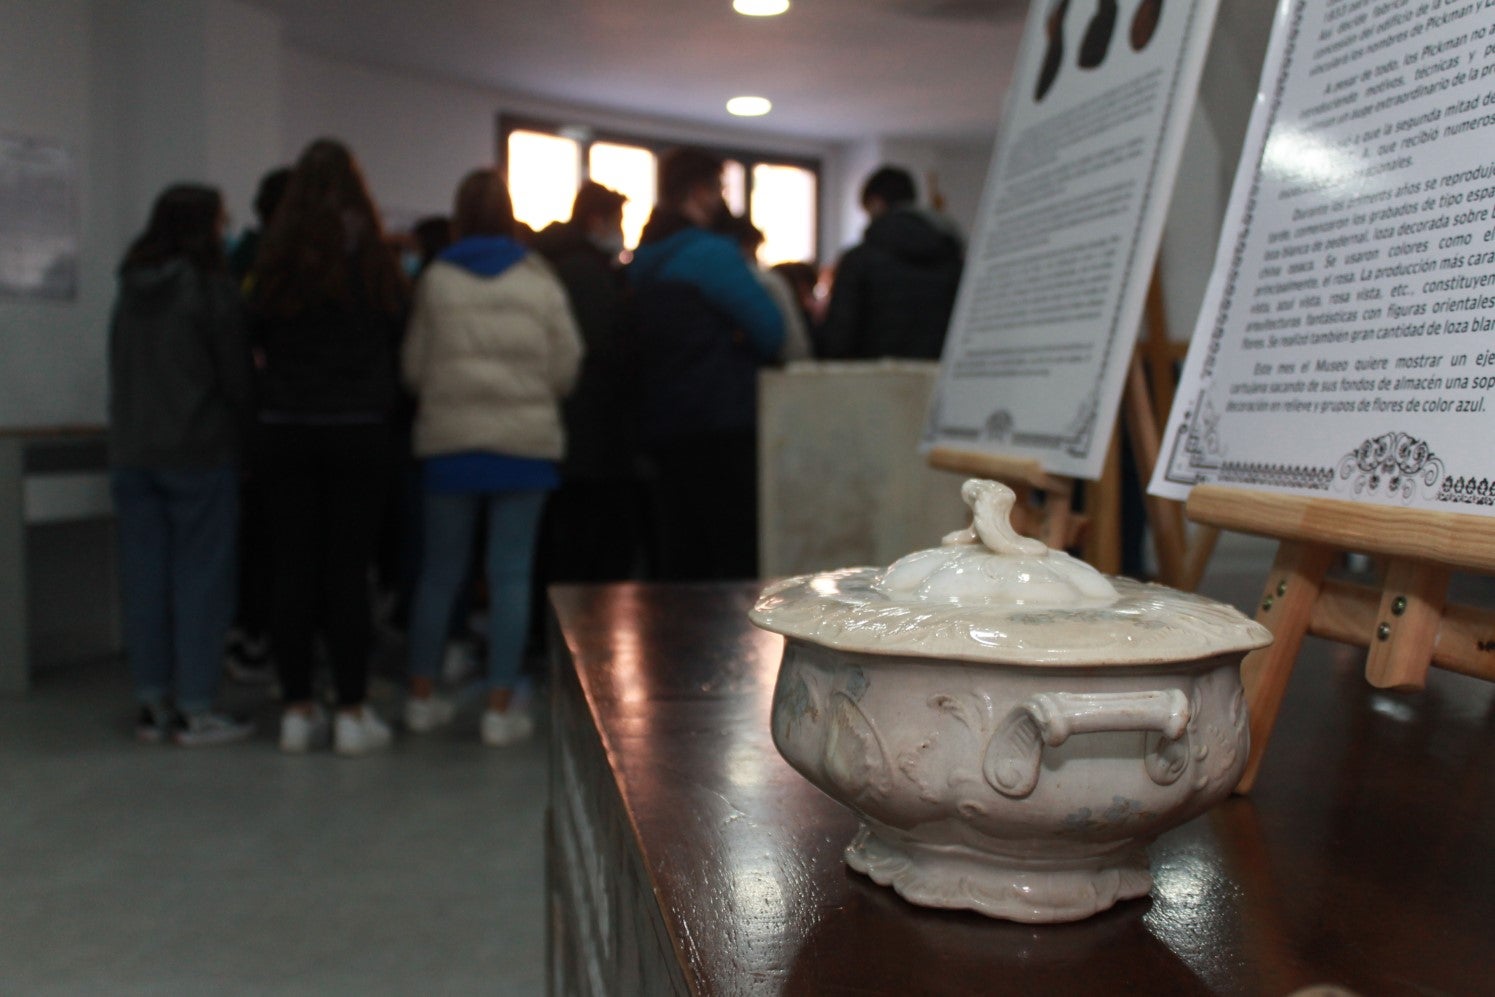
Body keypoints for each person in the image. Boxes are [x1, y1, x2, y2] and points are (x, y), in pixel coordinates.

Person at [401, 168, 583, 746]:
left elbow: (413, 367)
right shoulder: (538, 278)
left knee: (438, 577)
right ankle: (501, 707)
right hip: (523, 447)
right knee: (510, 577)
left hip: (450, 446)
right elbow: (566, 364)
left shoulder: (436, 279)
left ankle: (421, 697)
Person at [248, 138, 409, 756]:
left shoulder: (275, 258)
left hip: (285, 426)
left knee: (292, 569)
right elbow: (399, 330)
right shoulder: (372, 258)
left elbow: (253, 333)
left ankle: (296, 708)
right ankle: (351, 708)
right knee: (348, 571)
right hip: (359, 429)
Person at [107, 183, 254, 746]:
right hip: (197, 451)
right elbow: (234, 376)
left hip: (132, 451)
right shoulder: (210, 290)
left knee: (144, 581)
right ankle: (196, 704)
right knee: (201, 583)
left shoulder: (130, 288)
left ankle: (153, 702)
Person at [629, 147, 784, 581]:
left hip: (661, 426)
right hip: (719, 425)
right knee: (729, 559)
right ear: (698, 192)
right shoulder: (709, 254)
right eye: (718, 188)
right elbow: (771, 330)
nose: (722, 200)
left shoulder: (643, 260)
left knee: (679, 558)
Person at [531, 181, 644, 585]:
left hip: (570, 426)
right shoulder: (587, 271)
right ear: (597, 220)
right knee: (588, 547)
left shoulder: (557, 263)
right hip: (594, 429)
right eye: (619, 221)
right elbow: (604, 346)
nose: (622, 232)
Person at [223, 165, 290, 687]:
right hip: (266, 428)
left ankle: (257, 634)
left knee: (265, 543)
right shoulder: (257, 265)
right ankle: (256, 634)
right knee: (265, 545)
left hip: (262, 426)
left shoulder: (247, 262)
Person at [818, 165, 963, 360]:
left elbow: (839, 339)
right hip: (940, 378)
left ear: (876, 203)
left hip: (876, 382)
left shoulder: (859, 261)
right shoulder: (950, 255)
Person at [717, 213, 813, 362]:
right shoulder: (766, 283)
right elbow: (796, 349)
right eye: (754, 249)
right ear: (747, 245)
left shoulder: (700, 278)